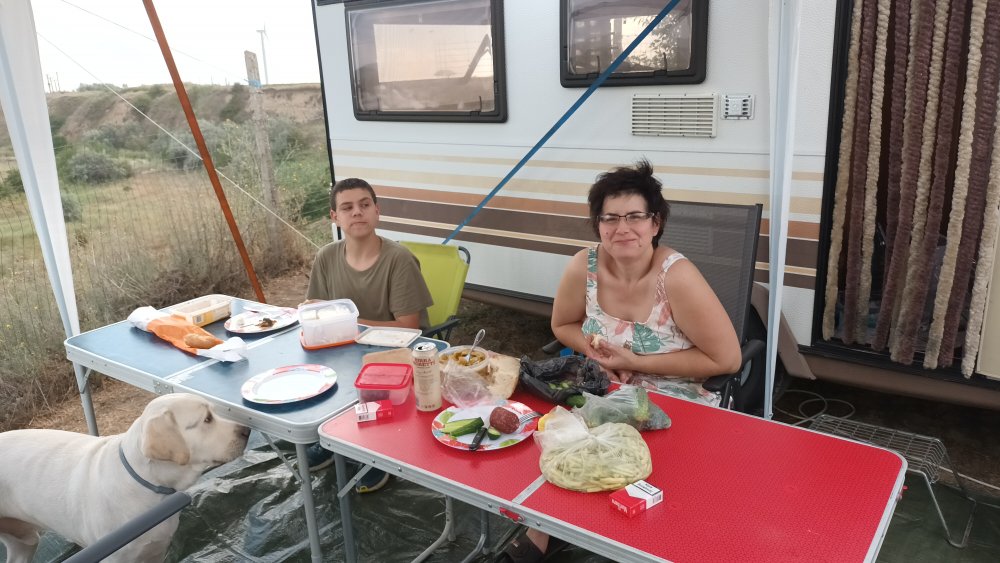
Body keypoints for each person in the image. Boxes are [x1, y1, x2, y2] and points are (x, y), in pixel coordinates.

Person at [498, 160, 740, 562]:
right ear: (598, 224)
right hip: (604, 389)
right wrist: (596, 352)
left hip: (676, 401)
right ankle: (548, 530)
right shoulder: (585, 265)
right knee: (561, 451)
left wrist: (637, 362)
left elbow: (726, 359)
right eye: (609, 218)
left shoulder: (676, 277)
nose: (621, 228)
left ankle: (595, 538)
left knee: (636, 473)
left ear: (655, 223)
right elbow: (563, 324)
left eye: (634, 216)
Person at [303, 178, 433, 491]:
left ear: (377, 211)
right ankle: (329, 438)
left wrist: (347, 322)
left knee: (367, 381)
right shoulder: (326, 257)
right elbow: (316, 309)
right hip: (341, 349)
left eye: (364, 205)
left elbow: (408, 327)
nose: (357, 212)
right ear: (335, 217)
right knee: (314, 371)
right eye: (347, 207)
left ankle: (373, 453)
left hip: (393, 356)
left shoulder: (399, 259)